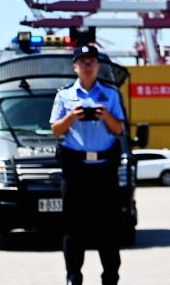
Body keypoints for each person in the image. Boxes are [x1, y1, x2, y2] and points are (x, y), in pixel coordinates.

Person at [49, 42, 127, 285]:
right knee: (74, 228)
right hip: (76, 170)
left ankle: (110, 277)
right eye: (83, 62)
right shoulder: (64, 96)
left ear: (98, 66)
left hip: (104, 169)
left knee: (108, 227)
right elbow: (55, 130)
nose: (88, 66)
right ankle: (74, 276)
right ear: (75, 67)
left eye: (92, 62)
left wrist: (105, 115)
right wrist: (72, 115)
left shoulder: (110, 95)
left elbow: (118, 129)